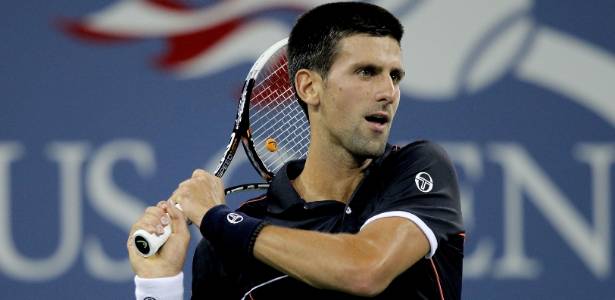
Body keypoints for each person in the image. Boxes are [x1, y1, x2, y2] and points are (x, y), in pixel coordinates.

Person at [127, 2, 464, 299]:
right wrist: (158, 285)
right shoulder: (225, 247)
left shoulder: (417, 169)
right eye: (367, 72)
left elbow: (364, 269)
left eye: (395, 76)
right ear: (309, 86)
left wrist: (218, 220)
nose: (388, 92)